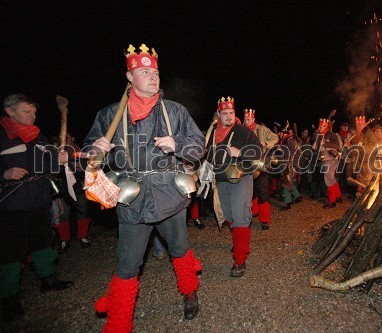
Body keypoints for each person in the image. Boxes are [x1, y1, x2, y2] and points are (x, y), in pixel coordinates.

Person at [83, 43, 206, 330]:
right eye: (145, 72)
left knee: (179, 248)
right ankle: (119, 324)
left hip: (169, 194)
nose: (153, 77)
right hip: (131, 199)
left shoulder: (174, 111)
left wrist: (179, 145)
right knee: (127, 264)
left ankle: (189, 292)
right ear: (129, 76)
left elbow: (199, 146)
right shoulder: (109, 115)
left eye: (156, 72)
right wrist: (94, 150)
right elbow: (90, 152)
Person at [0, 94, 74, 322]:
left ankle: (47, 279)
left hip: (39, 197)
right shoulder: (2, 135)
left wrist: (58, 157)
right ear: (10, 111)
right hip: (12, 202)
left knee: (43, 240)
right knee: (11, 250)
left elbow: (48, 163)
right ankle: (9, 297)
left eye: (34, 112)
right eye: (27, 112)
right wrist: (4, 173)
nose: (33, 116)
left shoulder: (37, 135)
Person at [205, 97, 261, 277]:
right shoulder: (212, 133)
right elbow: (206, 153)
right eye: (224, 114)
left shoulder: (243, 132)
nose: (228, 117)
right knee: (229, 215)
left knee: (240, 217)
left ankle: (240, 259)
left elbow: (258, 152)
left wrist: (241, 152)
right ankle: (238, 240)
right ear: (218, 115)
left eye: (231, 113)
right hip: (221, 180)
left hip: (240, 178)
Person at [54, 133, 92, 252]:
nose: (64, 141)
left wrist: (70, 161)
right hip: (62, 188)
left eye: (67, 138)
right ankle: (64, 240)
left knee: (82, 211)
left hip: (78, 186)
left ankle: (83, 237)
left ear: (73, 138)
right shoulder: (56, 152)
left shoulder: (79, 152)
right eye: (61, 139)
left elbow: (84, 167)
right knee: (63, 214)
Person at [243, 108, 278, 230]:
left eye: (248, 119)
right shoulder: (242, 130)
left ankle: (264, 220)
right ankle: (253, 213)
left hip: (261, 165)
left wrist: (265, 143)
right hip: (247, 166)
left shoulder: (261, 129)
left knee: (262, 192)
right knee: (249, 193)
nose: (246, 121)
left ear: (253, 118)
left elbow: (274, 137)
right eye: (245, 119)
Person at [311, 118, 343, 208]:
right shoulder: (320, 135)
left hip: (331, 159)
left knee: (328, 179)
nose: (319, 127)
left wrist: (325, 144)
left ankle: (332, 201)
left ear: (325, 126)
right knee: (330, 178)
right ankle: (338, 196)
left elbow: (337, 146)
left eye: (321, 126)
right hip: (325, 159)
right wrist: (316, 143)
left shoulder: (331, 134)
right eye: (319, 126)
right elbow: (315, 148)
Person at [276, 123, 302, 211]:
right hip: (283, 163)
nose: (278, 134)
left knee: (285, 183)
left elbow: (292, 152)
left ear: (284, 132)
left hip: (288, 164)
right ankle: (298, 196)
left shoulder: (289, 140)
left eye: (280, 132)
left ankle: (287, 203)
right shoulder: (282, 140)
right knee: (288, 182)